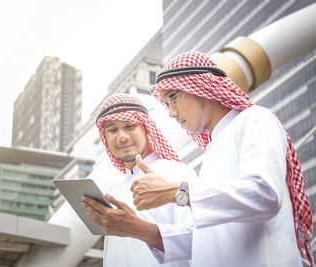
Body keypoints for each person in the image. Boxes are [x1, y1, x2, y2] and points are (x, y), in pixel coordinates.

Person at [130, 51, 314, 267]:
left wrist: (177, 192)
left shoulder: (254, 119)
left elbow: (264, 194)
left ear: (199, 87)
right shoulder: (212, 152)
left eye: (172, 98)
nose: (171, 113)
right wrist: (135, 228)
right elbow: (207, 237)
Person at [82, 93, 197, 267]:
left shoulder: (176, 172)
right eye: (112, 130)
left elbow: (198, 239)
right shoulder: (117, 191)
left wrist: (139, 229)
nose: (121, 136)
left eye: (129, 126)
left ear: (146, 128)